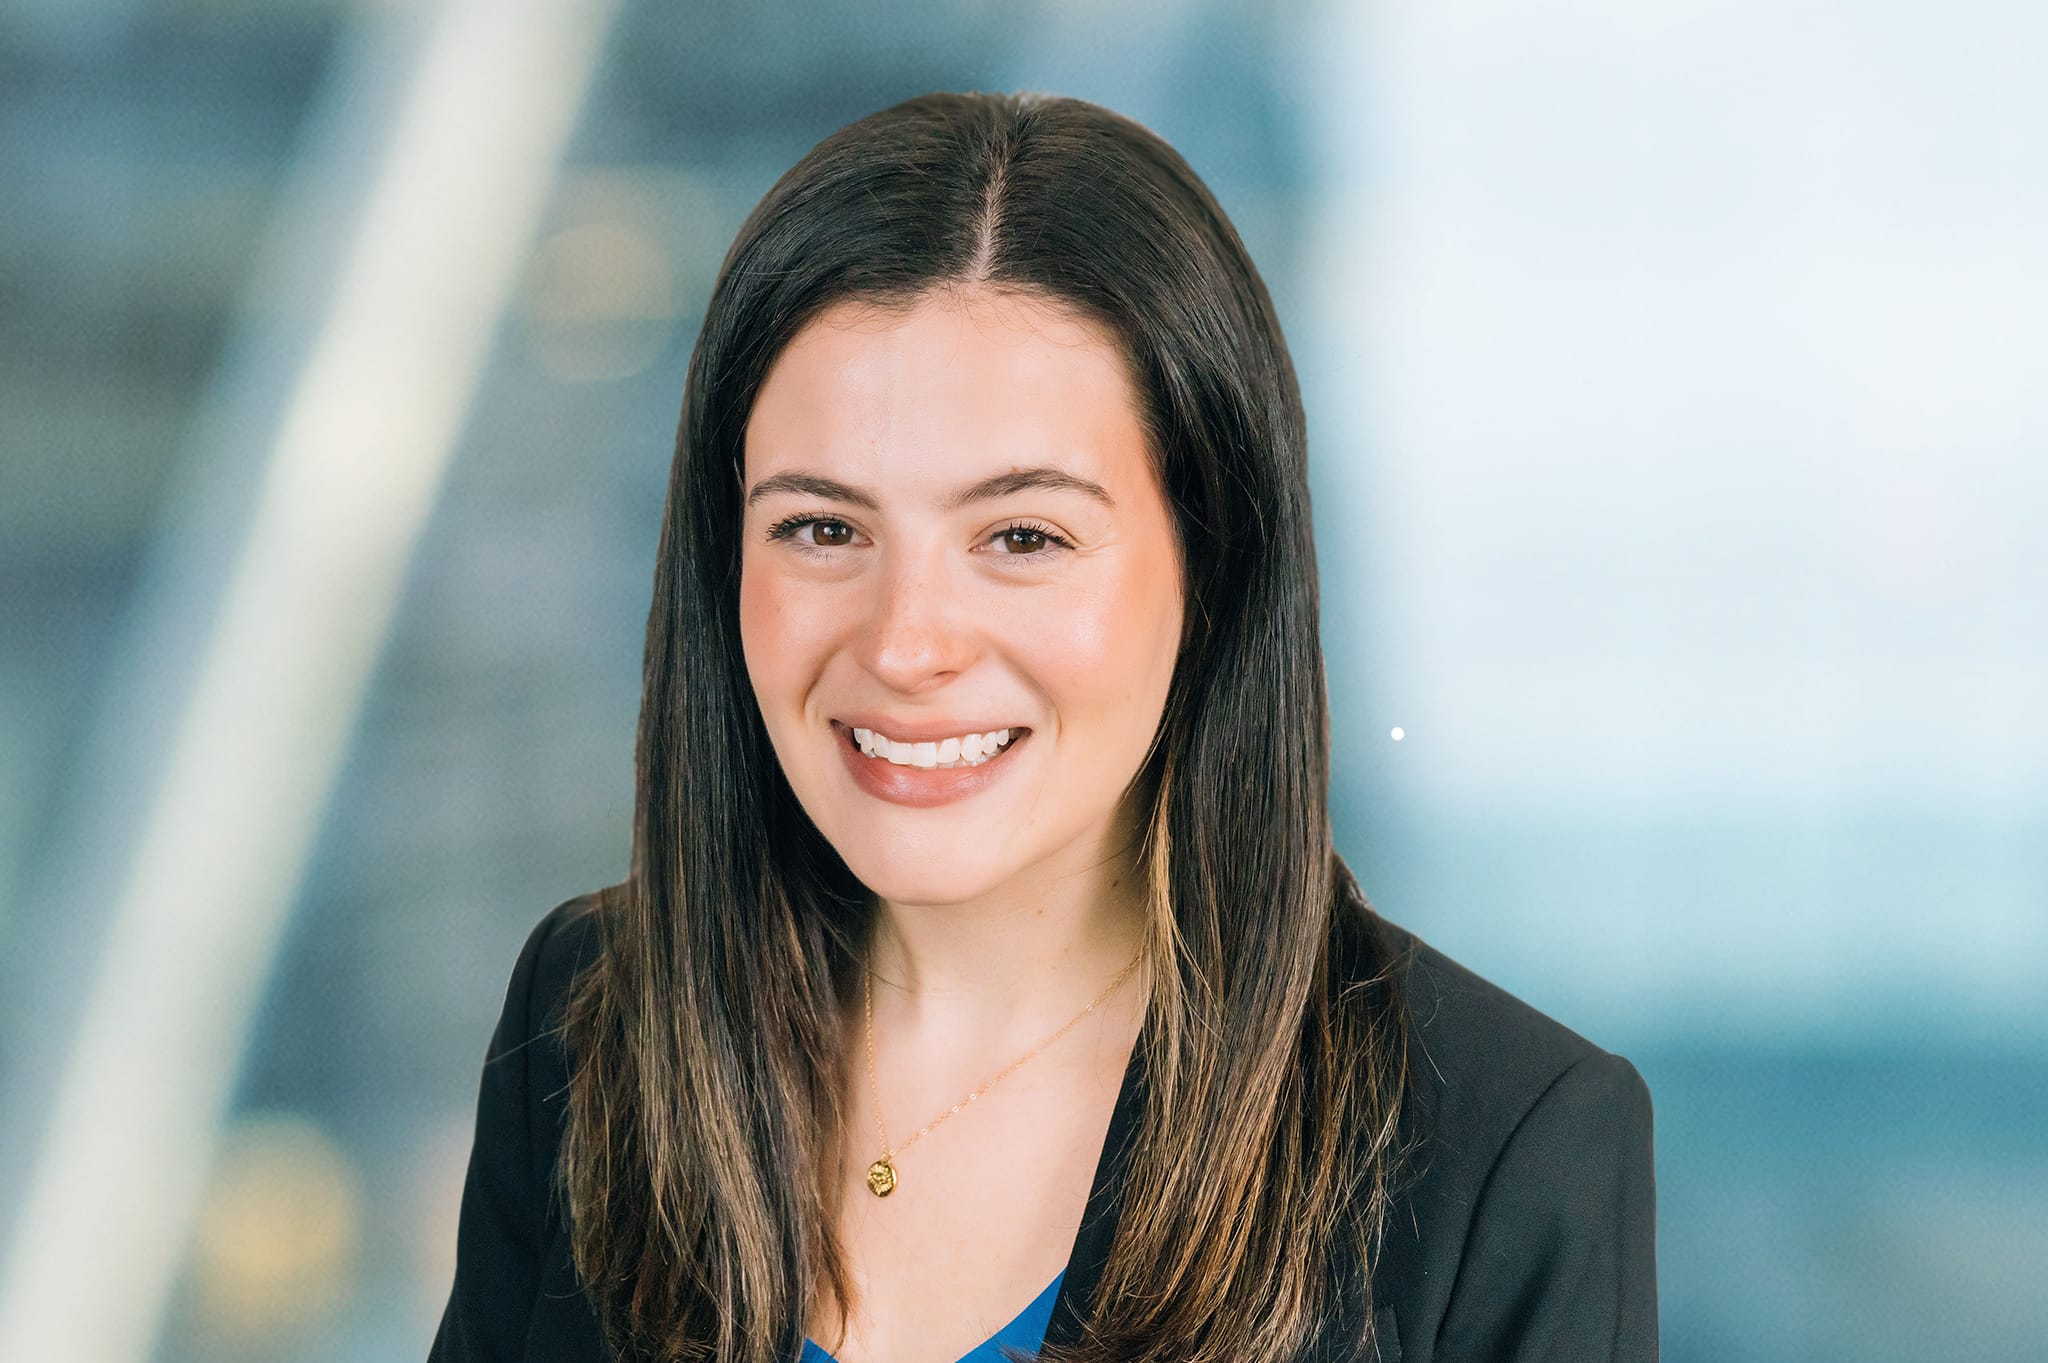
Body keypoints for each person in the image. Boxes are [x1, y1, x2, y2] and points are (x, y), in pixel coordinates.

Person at [429, 90, 1657, 1363]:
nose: (904, 644)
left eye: (1021, 536)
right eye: (822, 527)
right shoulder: (588, 1017)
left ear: (1213, 567)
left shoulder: (1508, 1151)